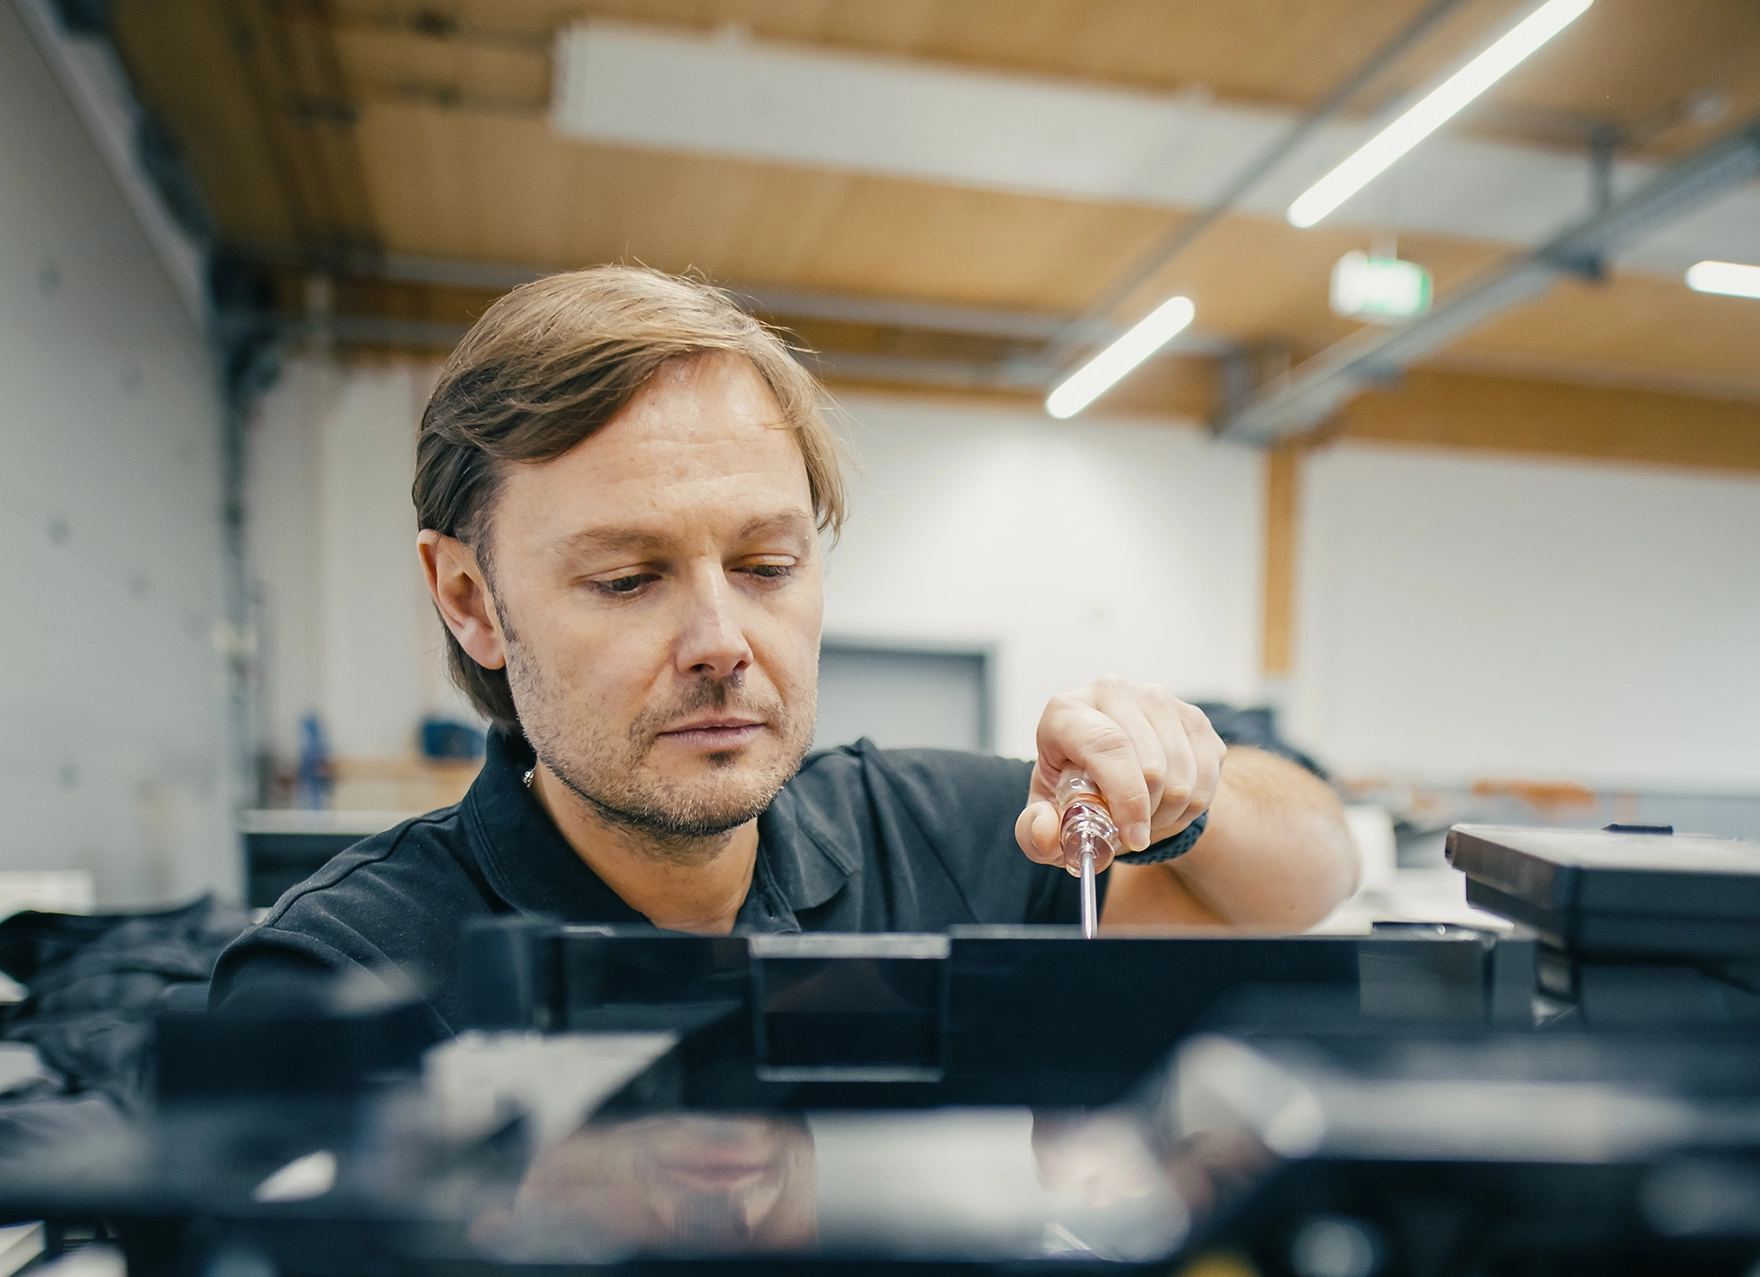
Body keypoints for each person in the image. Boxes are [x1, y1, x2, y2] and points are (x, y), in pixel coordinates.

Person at [210, 267, 1358, 1039]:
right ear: (470, 600)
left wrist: (1186, 792)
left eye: (764, 566)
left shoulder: (936, 843)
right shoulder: (339, 978)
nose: (721, 643)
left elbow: (1312, 874)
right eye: (627, 578)